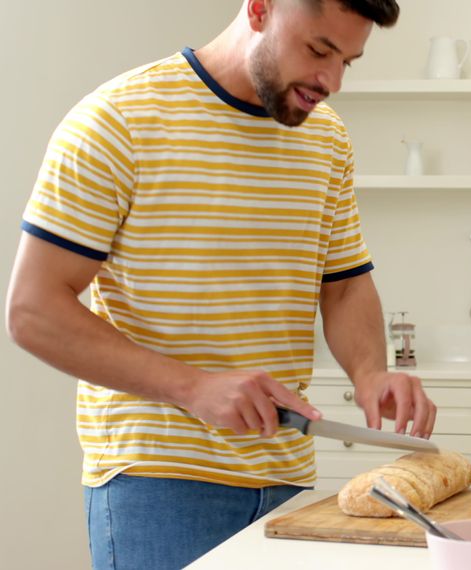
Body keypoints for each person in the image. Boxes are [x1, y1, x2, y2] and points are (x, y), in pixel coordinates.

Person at [5, 1, 437, 568]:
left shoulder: (326, 140)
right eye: (318, 50)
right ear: (259, 9)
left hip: (284, 481)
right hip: (158, 484)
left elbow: (344, 283)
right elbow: (32, 309)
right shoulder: (119, 119)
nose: (330, 81)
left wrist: (371, 371)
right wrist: (194, 387)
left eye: (347, 62)